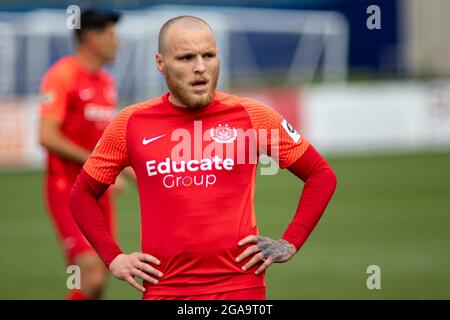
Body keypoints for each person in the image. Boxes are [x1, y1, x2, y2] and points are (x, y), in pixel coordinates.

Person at [69, 15, 337, 300]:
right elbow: (82, 195)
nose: (200, 68)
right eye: (185, 58)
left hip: (240, 290)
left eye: (208, 55)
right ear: (160, 63)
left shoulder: (253, 116)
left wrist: (291, 241)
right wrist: (113, 258)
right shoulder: (130, 123)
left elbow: (321, 174)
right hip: (165, 290)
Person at [38, 8, 123, 300]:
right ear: (92, 38)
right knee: (90, 273)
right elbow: (47, 136)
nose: (118, 41)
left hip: (100, 195)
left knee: (98, 278)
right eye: (112, 34)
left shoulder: (106, 83)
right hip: (67, 191)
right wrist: (95, 163)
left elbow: (108, 145)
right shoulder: (62, 76)